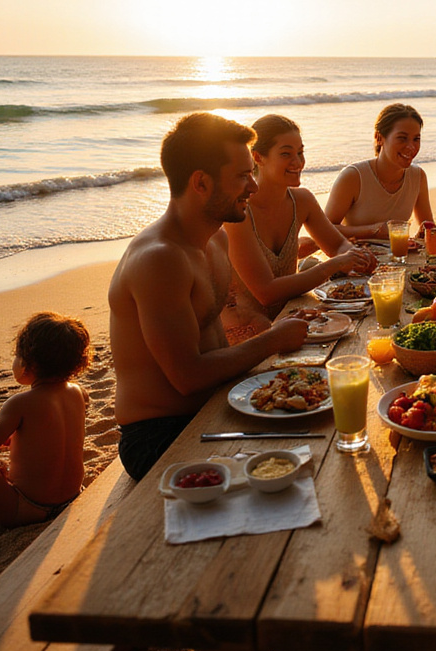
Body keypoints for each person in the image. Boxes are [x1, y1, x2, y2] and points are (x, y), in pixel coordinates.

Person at [110, 112, 312, 481]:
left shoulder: (216, 239)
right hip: (161, 433)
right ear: (200, 182)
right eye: (241, 176)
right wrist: (271, 340)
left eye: (251, 172)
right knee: (292, 473)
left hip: (221, 402)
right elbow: (186, 376)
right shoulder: (160, 259)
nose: (252, 186)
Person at [222, 114, 378, 341]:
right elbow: (266, 292)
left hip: (293, 316)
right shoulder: (239, 212)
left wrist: (354, 257)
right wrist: (333, 265)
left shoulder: (301, 200)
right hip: (248, 331)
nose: (298, 162)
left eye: (300, 152)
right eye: (286, 154)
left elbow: (338, 244)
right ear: (258, 157)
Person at [0, 312, 89, 525]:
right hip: (72, 497)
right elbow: (52, 437)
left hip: (27, 508)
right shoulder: (79, 393)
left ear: (27, 363)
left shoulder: (19, 403)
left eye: (16, 355)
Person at [324, 103, 434, 239]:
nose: (411, 147)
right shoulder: (353, 177)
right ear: (379, 138)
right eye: (402, 138)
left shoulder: (418, 176)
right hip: (355, 258)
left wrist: (427, 235)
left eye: (416, 139)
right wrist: (373, 230)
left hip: (399, 258)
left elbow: (427, 227)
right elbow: (323, 230)